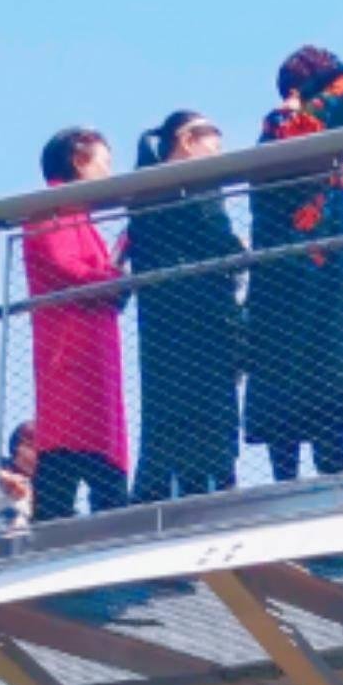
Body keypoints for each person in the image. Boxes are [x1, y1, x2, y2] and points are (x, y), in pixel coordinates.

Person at [249, 47, 343, 481]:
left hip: (303, 278)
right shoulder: (283, 125)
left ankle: (321, 484)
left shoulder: (299, 124)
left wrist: (305, 97)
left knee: (313, 384)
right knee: (312, 379)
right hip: (303, 276)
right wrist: (301, 99)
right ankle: (314, 486)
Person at [126, 109, 246, 503]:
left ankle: (157, 492)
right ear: (187, 139)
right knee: (212, 417)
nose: (219, 146)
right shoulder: (201, 184)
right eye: (214, 135)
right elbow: (217, 236)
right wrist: (241, 251)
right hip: (207, 319)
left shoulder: (145, 192)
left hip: (163, 326)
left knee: (166, 415)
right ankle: (214, 490)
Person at [21, 128, 130, 522]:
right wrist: (115, 280)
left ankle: (97, 528)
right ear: (80, 161)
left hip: (87, 352)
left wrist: (112, 278)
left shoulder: (73, 216)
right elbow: (66, 267)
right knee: (71, 446)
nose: (109, 172)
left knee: (84, 446)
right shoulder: (52, 210)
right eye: (104, 162)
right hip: (72, 352)